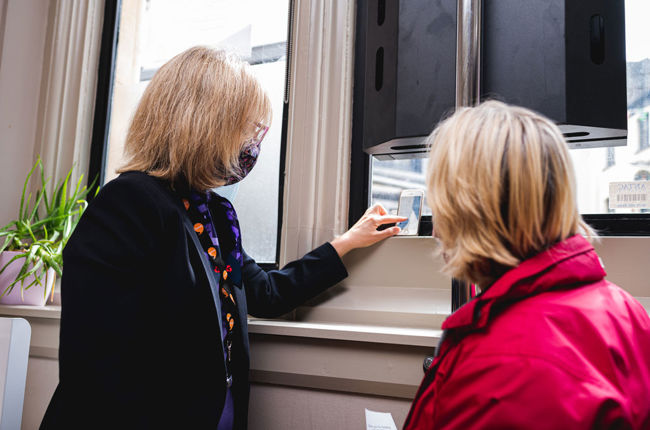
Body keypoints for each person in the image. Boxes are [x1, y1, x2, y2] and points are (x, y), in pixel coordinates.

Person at [40, 47, 405, 429]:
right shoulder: (128, 203)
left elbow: (264, 293)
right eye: (246, 128)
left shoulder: (214, 213)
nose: (251, 145)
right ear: (205, 124)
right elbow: (96, 365)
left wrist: (346, 242)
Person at [404, 101, 650, 429]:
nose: (435, 230)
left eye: (442, 207)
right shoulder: (626, 309)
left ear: (471, 212)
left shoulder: (500, 370)